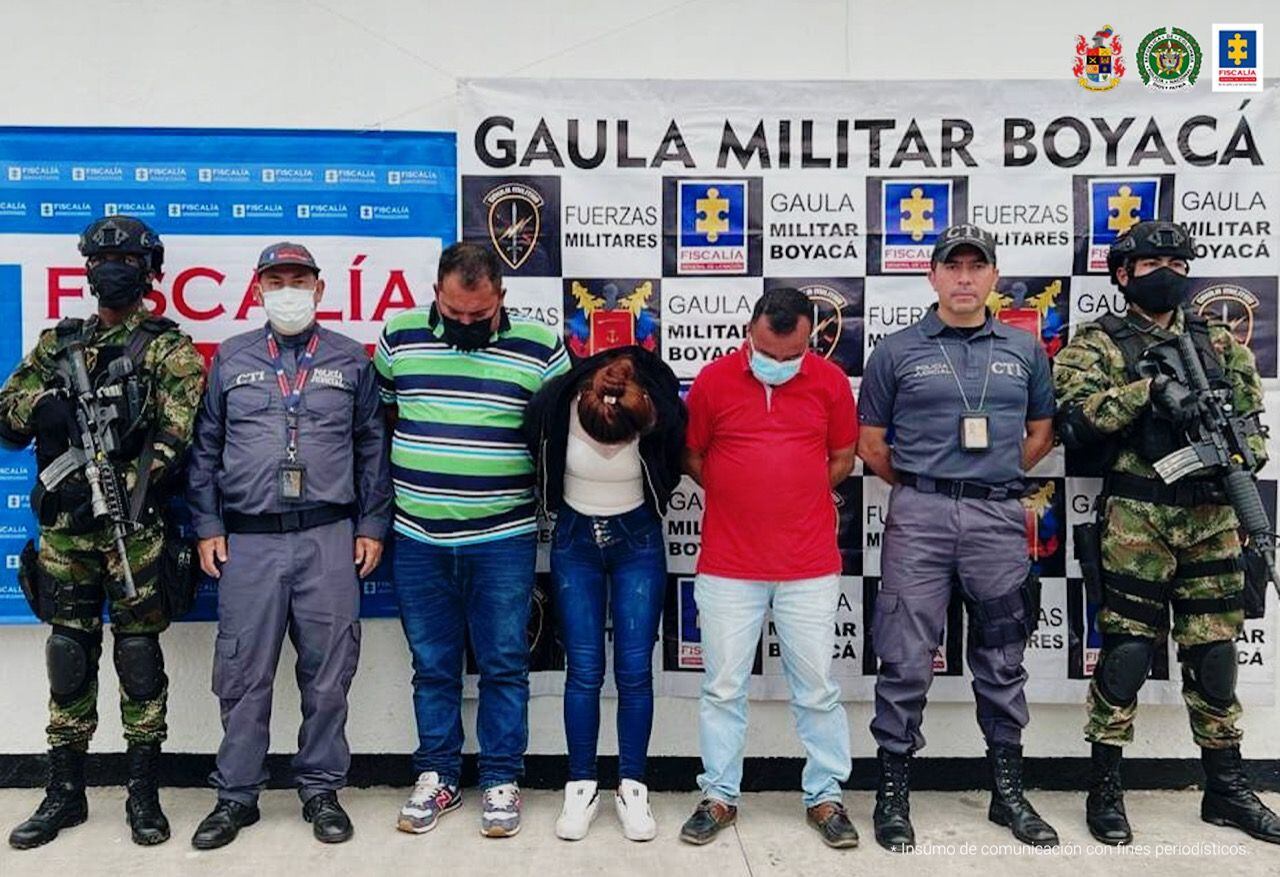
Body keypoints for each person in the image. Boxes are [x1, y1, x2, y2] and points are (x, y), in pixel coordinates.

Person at [1054, 220, 1280, 845]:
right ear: (1123, 274)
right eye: (1153, 264)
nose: (1167, 275)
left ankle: (1227, 789)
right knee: (1125, 653)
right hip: (1137, 521)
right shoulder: (1096, 343)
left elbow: (1254, 431)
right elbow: (1075, 420)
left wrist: (1231, 451)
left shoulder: (1222, 345)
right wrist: (1150, 392)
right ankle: (1106, 787)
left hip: (1212, 519)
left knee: (1214, 657)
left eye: (1179, 265)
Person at [1, 215, 204, 849]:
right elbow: (7, 411)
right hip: (64, 533)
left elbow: (179, 434)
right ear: (86, 269)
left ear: (148, 273)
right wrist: (44, 408)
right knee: (69, 655)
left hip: (132, 529)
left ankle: (143, 793)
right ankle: (65, 793)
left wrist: (131, 489)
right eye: (101, 258)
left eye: (126, 260)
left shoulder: (170, 349)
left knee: (139, 659)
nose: (112, 269)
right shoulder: (56, 345)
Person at [857, 223, 1058, 852]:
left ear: (994, 276)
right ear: (934, 276)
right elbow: (871, 445)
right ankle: (894, 797)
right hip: (918, 515)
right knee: (905, 655)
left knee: (1002, 656)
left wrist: (987, 477)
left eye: (977, 267)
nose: (965, 278)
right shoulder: (895, 350)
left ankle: (1008, 794)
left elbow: (1040, 433)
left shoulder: (1026, 351)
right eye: (954, 266)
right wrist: (927, 485)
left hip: (998, 519)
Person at [185, 242, 391, 849]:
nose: (288, 291)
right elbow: (204, 449)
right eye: (276, 280)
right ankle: (236, 796)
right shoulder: (230, 358)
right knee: (242, 672)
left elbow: (372, 449)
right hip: (248, 541)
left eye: (298, 279)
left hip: (329, 538)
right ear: (257, 290)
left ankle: (321, 789)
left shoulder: (353, 361)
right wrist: (206, 524)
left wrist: (372, 525)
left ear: (320, 289)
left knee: (328, 675)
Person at [376, 242, 569, 838]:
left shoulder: (541, 347)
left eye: (477, 316)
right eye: (453, 314)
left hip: (503, 538)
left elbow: (563, 436)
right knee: (432, 665)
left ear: (500, 298)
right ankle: (437, 776)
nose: (464, 325)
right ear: (436, 294)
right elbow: (386, 420)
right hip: (418, 537)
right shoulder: (399, 337)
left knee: (504, 664)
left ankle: (502, 779)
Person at [678, 287, 860, 850]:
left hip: (808, 566)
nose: (779, 365)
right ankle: (719, 795)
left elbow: (842, 458)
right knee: (723, 687)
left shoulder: (830, 383)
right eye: (768, 353)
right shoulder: (713, 380)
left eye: (791, 355)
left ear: (810, 338)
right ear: (750, 332)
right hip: (729, 565)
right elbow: (693, 455)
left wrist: (797, 495)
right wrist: (736, 495)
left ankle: (825, 794)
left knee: (817, 690)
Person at [524, 346, 686, 842]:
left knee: (635, 668)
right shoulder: (557, 406)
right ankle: (581, 784)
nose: (612, 450)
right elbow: (534, 447)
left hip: (638, 541)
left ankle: (632, 785)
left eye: (624, 443)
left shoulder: (658, 412)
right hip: (575, 541)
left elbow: (673, 463)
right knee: (585, 668)